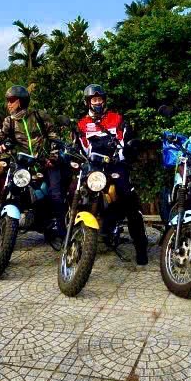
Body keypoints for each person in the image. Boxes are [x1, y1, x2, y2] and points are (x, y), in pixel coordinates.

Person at [74, 84, 148, 265]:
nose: (98, 103)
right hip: (93, 168)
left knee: (128, 198)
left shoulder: (117, 119)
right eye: (94, 100)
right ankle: (71, 239)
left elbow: (125, 142)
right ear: (88, 102)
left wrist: (127, 151)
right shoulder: (81, 124)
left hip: (115, 166)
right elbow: (80, 148)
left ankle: (141, 247)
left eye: (100, 99)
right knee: (75, 192)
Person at [0, 85, 65, 238]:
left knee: (56, 195)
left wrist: (53, 157)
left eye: (12, 100)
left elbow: (54, 137)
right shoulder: (9, 121)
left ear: (21, 101)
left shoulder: (39, 116)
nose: (8, 104)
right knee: (10, 188)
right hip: (23, 163)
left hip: (46, 162)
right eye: (7, 101)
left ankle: (63, 232)